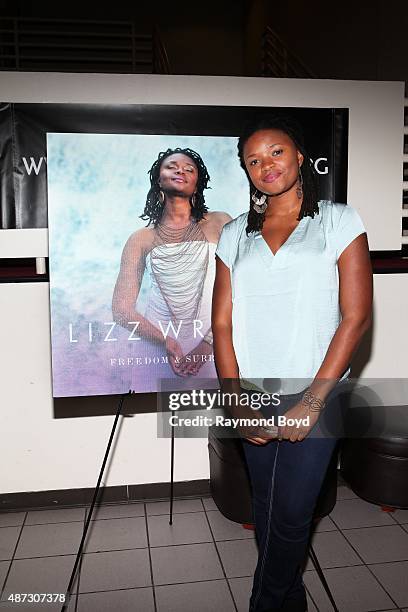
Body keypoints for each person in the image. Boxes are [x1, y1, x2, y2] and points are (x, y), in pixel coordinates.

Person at [211, 116, 372, 611]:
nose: (266, 166)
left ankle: (264, 603)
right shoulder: (235, 234)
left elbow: (356, 317)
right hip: (254, 392)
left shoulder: (338, 220)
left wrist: (312, 400)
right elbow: (221, 325)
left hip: (318, 392)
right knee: (266, 505)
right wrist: (235, 399)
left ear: (300, 156)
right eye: (254, 160)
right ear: (246, 171)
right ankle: (291, 602)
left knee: (291, 515)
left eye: (276, 153)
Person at [112, 147, 230, 381]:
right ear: (158, 178)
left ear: (197, 184)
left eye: (189, 169)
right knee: (152, 416)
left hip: (216, 348)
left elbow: (243, 290)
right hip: (157, 353)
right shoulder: (140, 238)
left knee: (216, 415)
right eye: (172, 166)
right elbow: (121, 311)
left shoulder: (221, 222)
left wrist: (208, 344)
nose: (180, 171)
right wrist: (166, 342)